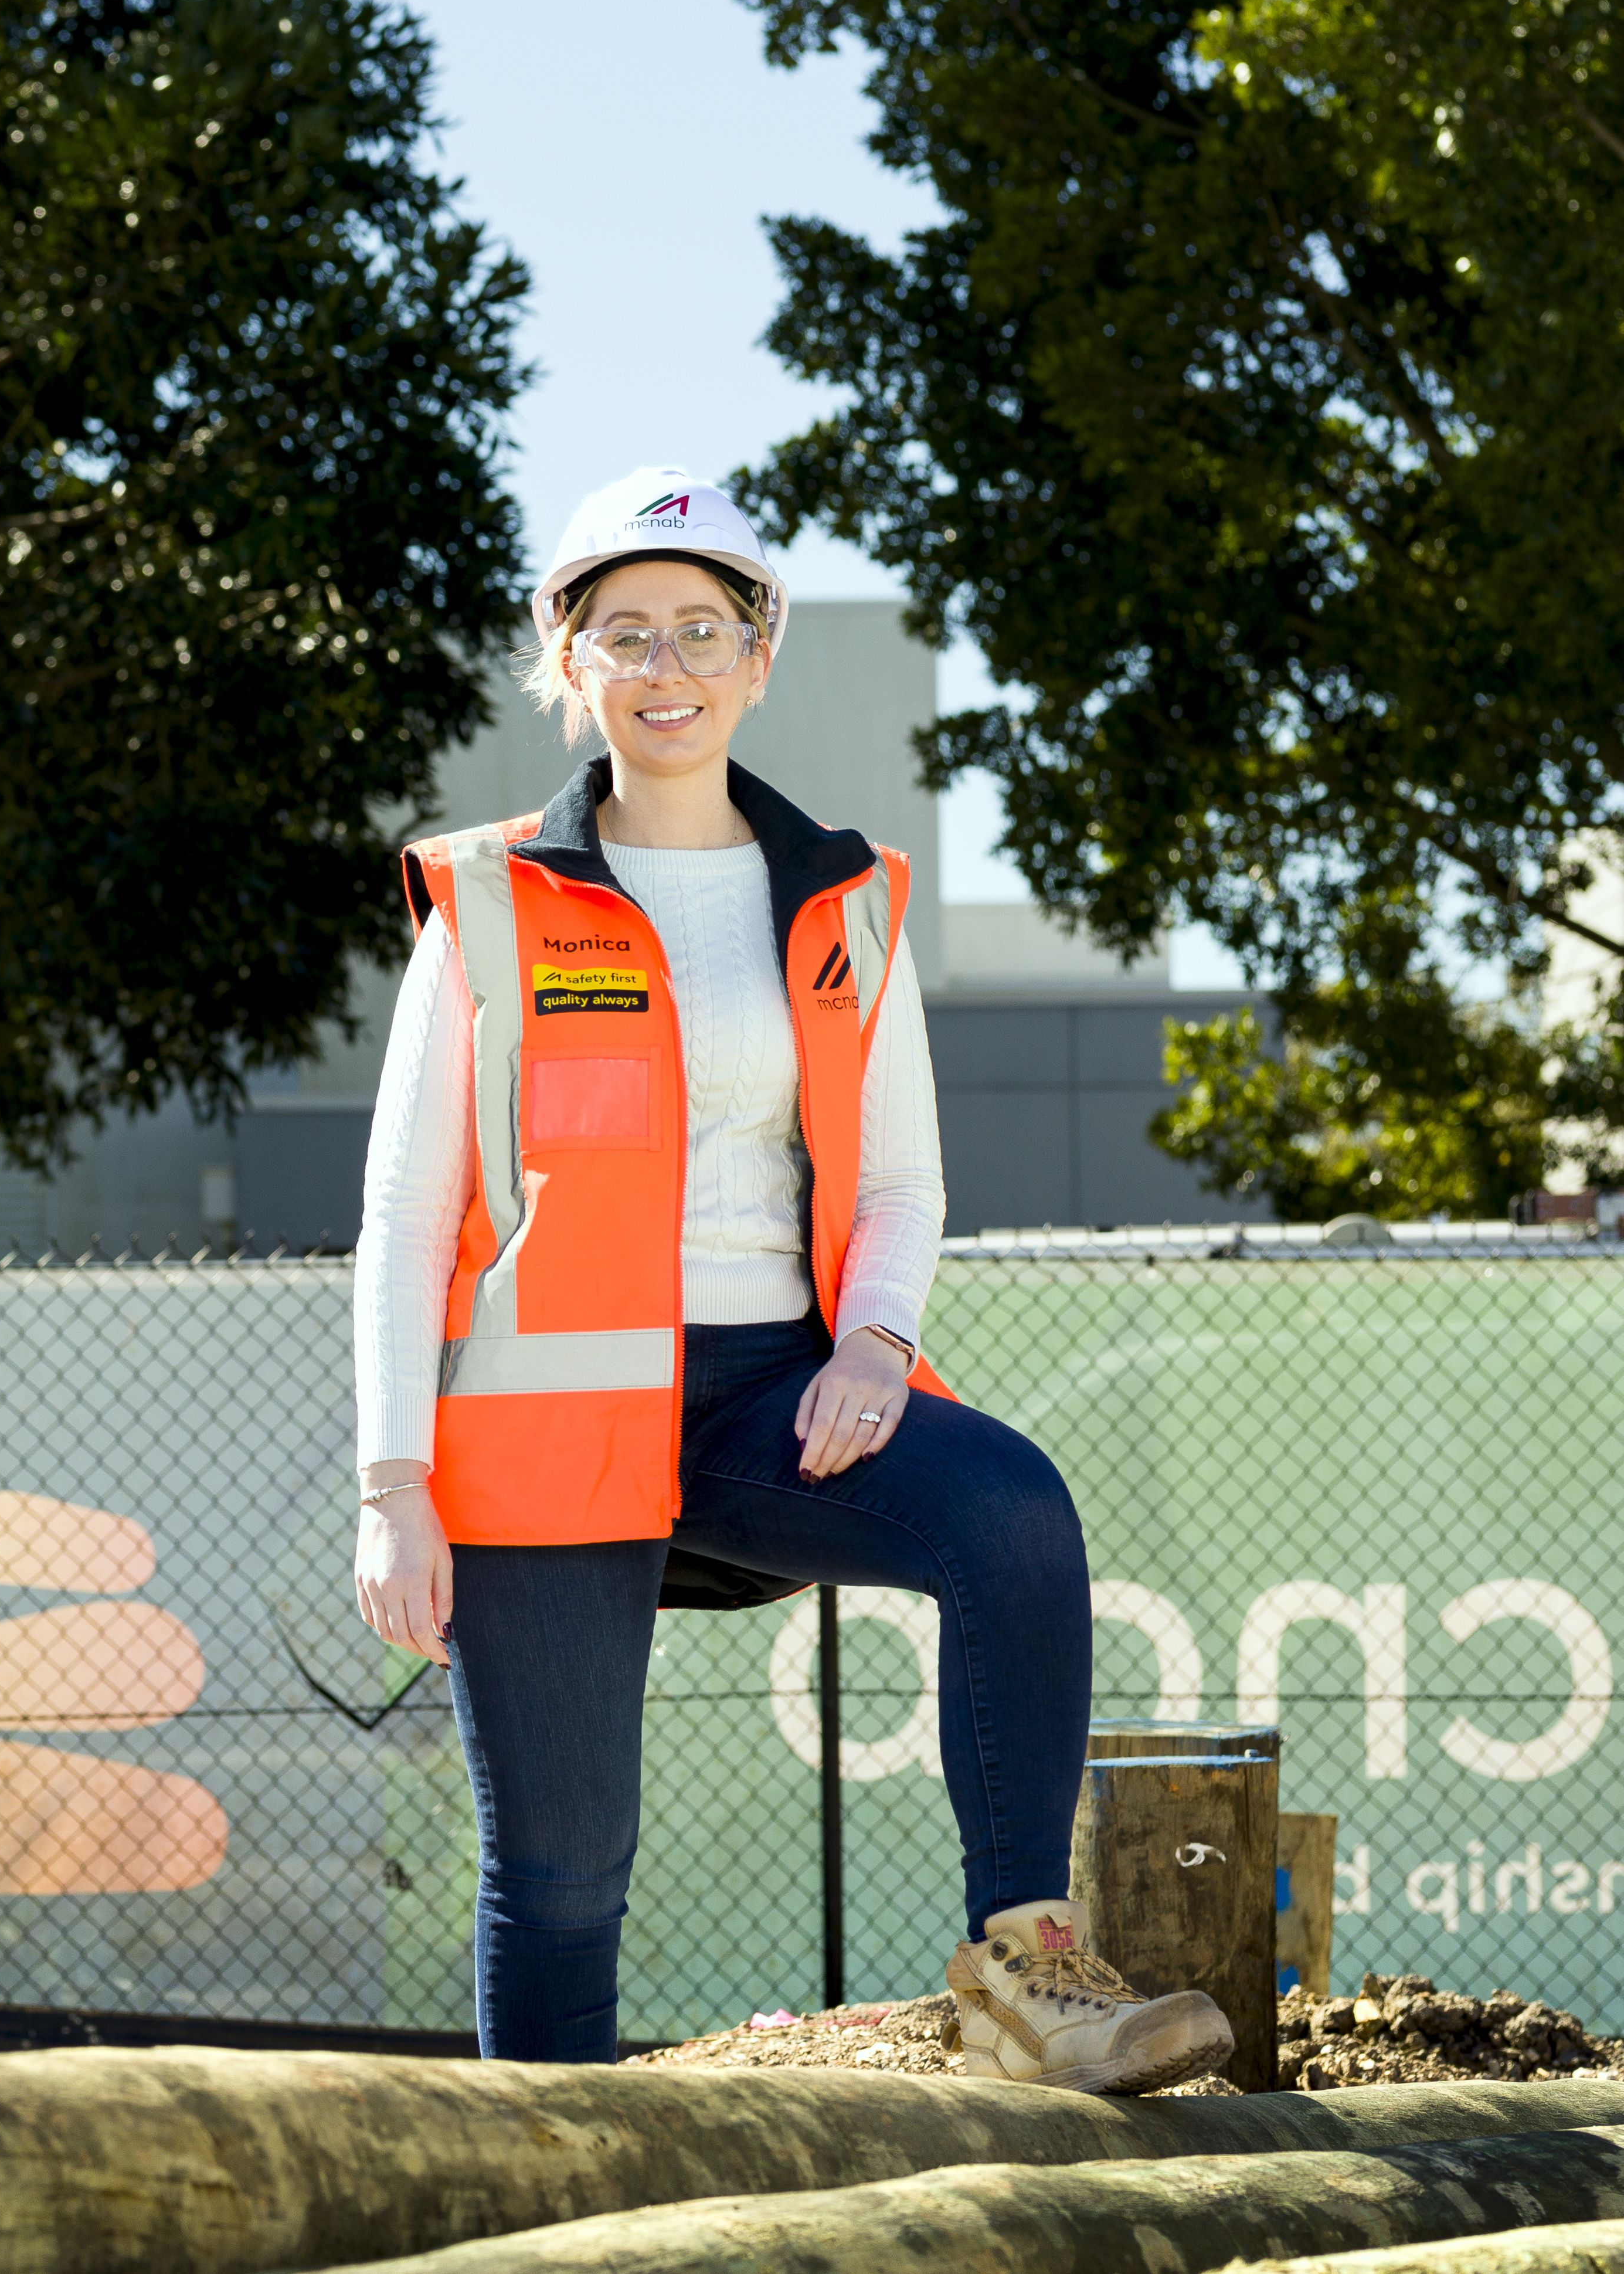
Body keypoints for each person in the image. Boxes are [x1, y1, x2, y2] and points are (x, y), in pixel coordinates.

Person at [347, 467, 1231, 2088]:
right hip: (543, 1428)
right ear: (568, 662)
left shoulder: (848, 901)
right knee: (560, 1874)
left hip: (768, 1398)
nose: (665, 665)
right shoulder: (484, 901)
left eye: (702, 628)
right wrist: (392, 1481)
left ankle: (1027, 1979)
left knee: (1013, 1515)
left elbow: (899, 1183)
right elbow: (405, 1214)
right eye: (625, 632)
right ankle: (539, 2181)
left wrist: (876, 1343)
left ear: (758, 658)